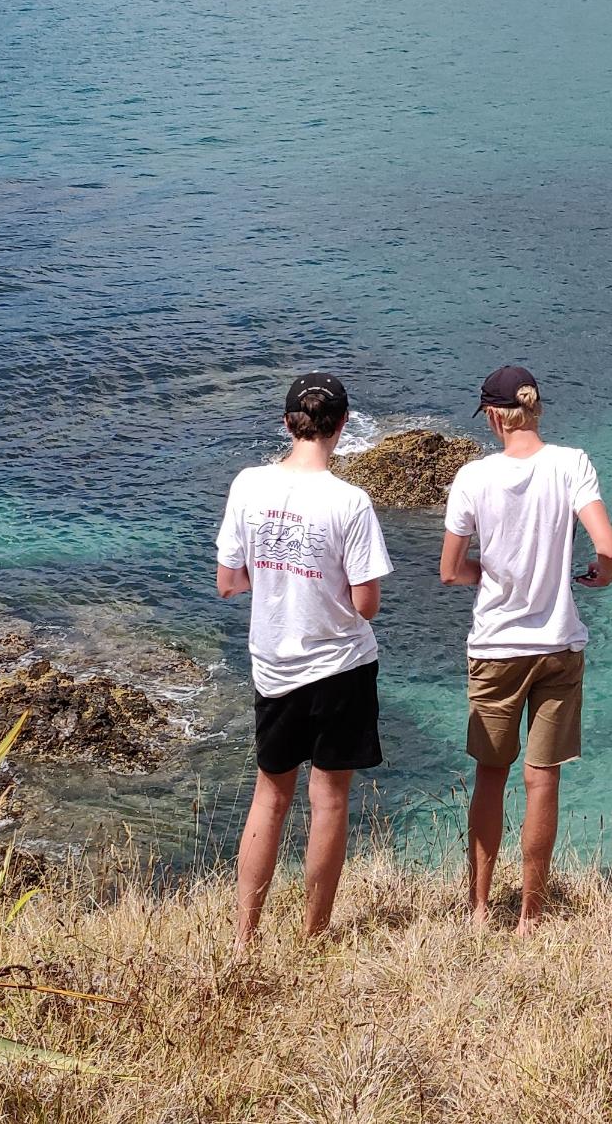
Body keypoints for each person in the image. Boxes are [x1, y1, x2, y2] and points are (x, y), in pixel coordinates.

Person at [440, 363, 612, 930]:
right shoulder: (572, 465)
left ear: (494, 416)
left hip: (496, 646)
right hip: (557, 645)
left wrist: (491, 576)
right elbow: (608, 546)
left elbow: (450, 571)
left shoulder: (472, 478)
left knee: (491, 776)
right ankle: (530, 914)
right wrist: (603, 575)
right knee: (543, 778)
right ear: (535, 408)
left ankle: (477, 908)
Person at [214, 372, 392, 952]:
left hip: (273, 665)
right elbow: (366, 604)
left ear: (288, 423)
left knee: (270, 796)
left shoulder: (247, 485)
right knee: (329, 800)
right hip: (340, 666)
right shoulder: (350, 501)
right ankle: (314, 935)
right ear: (341, 427)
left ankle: (245, 936)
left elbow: (228, 583)